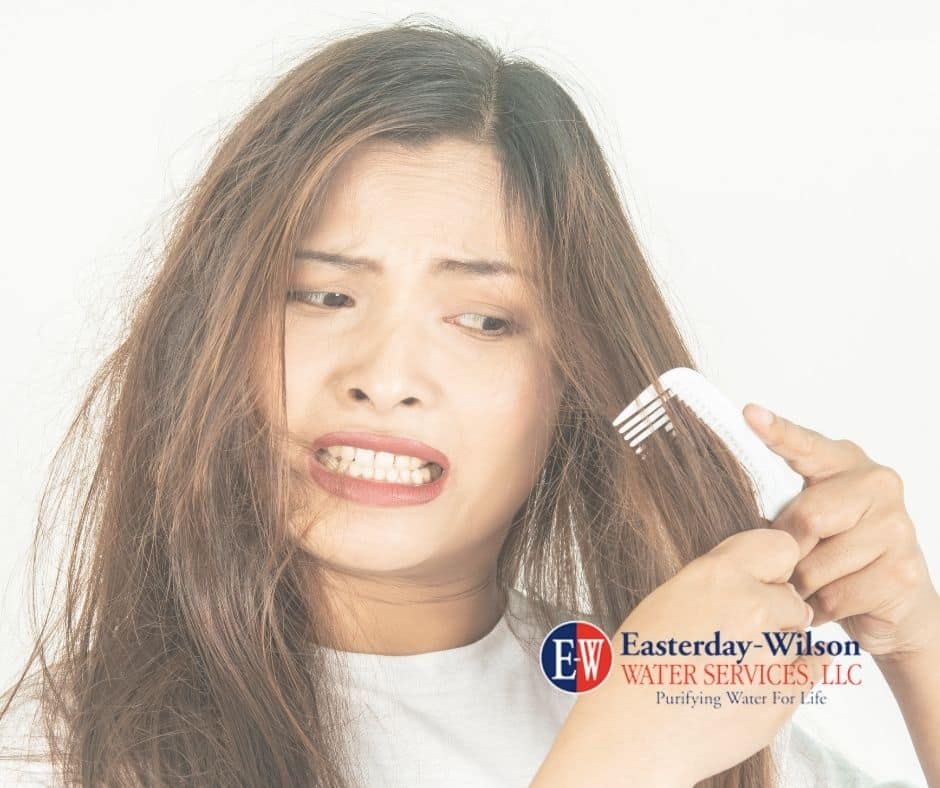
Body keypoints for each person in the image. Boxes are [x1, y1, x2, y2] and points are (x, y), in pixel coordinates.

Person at [2, 17, 937, 787]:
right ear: (216, 338)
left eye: (484, 319)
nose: (386, 375)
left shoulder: (690, 710)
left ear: (574, 385)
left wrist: (917, 644)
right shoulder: (70, 753)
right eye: (324, 295)